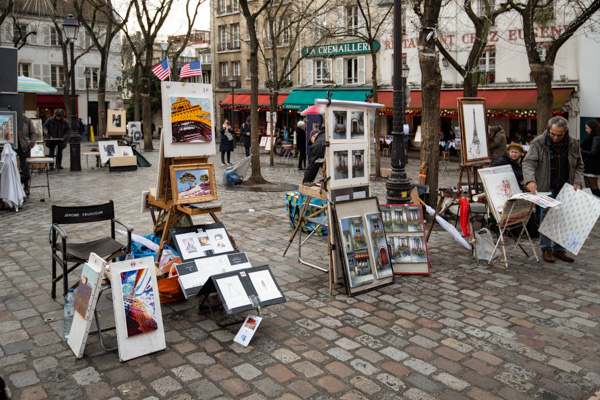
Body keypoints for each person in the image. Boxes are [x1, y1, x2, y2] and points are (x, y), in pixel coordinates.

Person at [522, 116, 584, 263]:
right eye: (553, 134)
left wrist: (577, 181)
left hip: (565, 185)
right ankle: (546, 248)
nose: (555, 138)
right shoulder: (539, 142)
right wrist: (530, 180)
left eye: (559, 135)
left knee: (564, 217)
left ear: (566, 132)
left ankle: (559, 249)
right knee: (546, 216)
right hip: (546, 185)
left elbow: (579, 165)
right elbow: (529, 162)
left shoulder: (573, 143)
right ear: (549, 130)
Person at [17, 114, 38, 196]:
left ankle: (26, 186)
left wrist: (31, 143)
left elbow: (33, 132)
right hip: (11, 145)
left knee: (25, 167)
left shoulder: (26, 120)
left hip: (24, 146)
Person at [580, 120, 600, 197]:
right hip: (588, 165)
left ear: (592, 128)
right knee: (588, 185)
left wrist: (581, 151)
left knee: (593, 186)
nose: (586, 130)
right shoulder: (591, 138)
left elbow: (593, 152)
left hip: (592, 166)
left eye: (587, 128)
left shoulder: (596, 138)